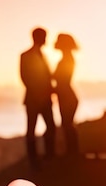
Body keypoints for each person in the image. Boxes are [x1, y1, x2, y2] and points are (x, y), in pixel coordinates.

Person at [20, 27, 57, 168]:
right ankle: (33, 161)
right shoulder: (25, 56)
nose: (46, 39)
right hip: (33, 100)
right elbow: (25, 77)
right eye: (44, 36)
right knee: (31, 130)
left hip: (46, 99)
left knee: (51, 127)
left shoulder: (44, 56)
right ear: (38, 38)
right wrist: (39, 93)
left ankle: (49, 156)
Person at [53, 33, 79, 155]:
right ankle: (72, 152)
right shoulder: (67, 58)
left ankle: (72, 153)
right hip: (65, 96)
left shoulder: (67, 59)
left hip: (66, 96)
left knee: (67, 124)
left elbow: (62, 80)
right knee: (67, 124)